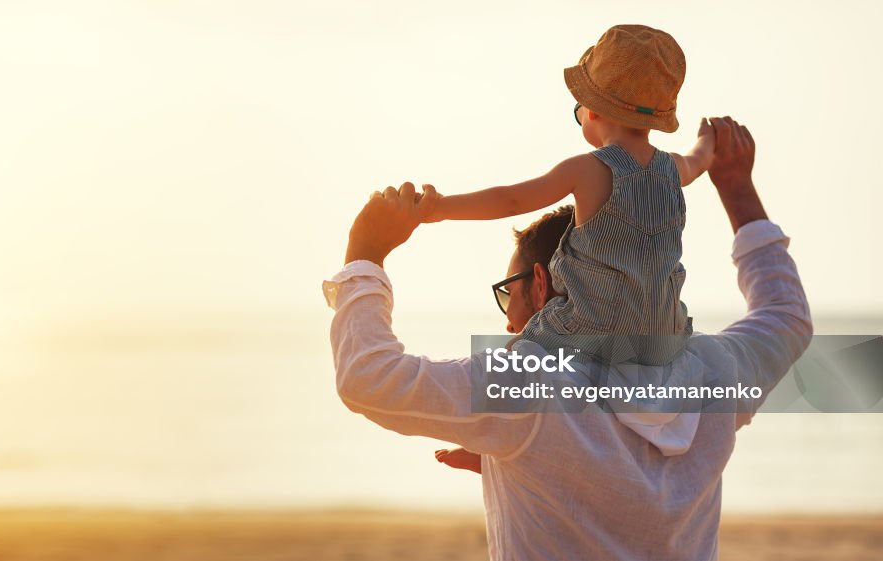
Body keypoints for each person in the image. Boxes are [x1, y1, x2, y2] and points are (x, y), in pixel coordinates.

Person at [323, 117, 812, 560]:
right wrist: (736, 187)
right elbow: (785, 317)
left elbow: (369, 379)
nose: (511, 322)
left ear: (541, 283)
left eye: (508, 293)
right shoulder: (710, 372)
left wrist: (364, 257)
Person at [426, 24, 714, 366]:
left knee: (514, 356)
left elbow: (511, 200)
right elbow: (699, 161)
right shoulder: (673, 168)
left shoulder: (588, 169)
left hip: (596, 331)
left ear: (592, 110)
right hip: (663, 339)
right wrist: (709, 139)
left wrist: (439, 208)